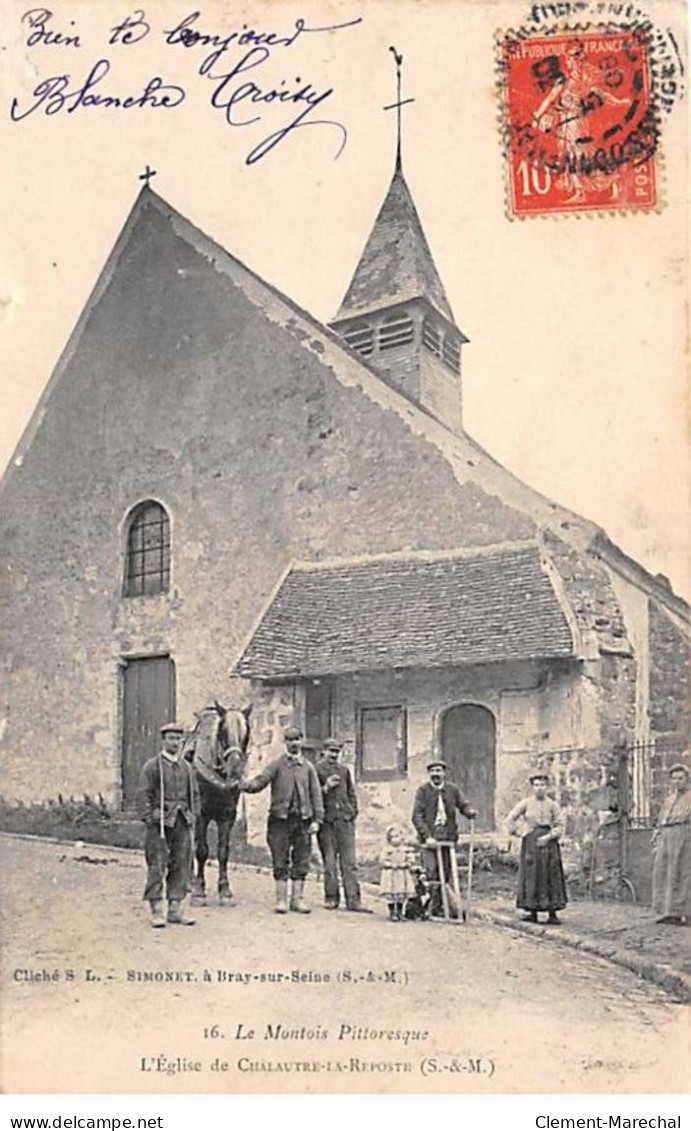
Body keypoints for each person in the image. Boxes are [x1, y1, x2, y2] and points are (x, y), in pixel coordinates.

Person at [239, 725, 324, 914]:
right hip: (280, 820)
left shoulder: (308, 768)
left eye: (297, 739)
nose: (294, 743)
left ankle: (297, 900)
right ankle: (281, 900)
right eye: (290, 739)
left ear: (301, 741)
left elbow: (316, 795)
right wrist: (244, 785)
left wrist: (317, 820)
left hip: (303, 820)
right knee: (280, 859)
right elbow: (260, 781)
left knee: (302, 860)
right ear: (285, 743)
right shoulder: (277, 765)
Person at [136, 721, 200, 928]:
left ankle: (175, 909)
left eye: (178, 738)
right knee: (157, 864)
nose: (175, 742)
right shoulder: (152, 766)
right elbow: (143, 795)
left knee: (182, 863)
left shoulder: (187, 768)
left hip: (182, 821)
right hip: (160, 823)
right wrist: (151, 816)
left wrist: (193, 815)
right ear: (163, 741)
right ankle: (157, 910)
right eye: (171, 738)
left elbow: (195, 795)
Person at [412, 758, 477, 916]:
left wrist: (469, 811)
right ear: (429, 774)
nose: (436, 774)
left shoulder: (452, 789)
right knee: (431, 873)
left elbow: (463, 804)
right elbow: (417, 816)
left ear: (444, 773)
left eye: (439, 771)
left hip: (448, 837)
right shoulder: (423, 791)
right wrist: (427, 836)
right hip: (430, 839)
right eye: (433, 771)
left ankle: (441, 907)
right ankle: (429, 908)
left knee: (446, 873)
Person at [506, 771, 567, 925]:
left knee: (550, 875)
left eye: (542, 785)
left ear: (547, 787)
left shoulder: (553, 805)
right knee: (532, 874)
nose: (539, 788)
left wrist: (548, 837)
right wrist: (520, 833)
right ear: (532, 787)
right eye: (536, 785)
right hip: (531, 843)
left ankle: (552, 913)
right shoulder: (526, 803)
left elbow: (560, 825)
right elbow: (510, 818)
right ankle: (532, 911)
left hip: (549, 844)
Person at [316, 738, 368, 912]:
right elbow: (313, 795)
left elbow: (351, 793)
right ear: (324, 751)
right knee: (330, 862)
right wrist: (326, 787)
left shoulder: (344, 770)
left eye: (337, 751)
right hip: (327, 822)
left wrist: (352, 812)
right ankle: (331, 898)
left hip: (345, 821)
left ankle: (353, 901)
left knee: (350, 862)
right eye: (331, 751)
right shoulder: (316, 770)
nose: (333, 755)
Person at [651, 761, 691, 925]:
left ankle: (686, 913)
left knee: (683, 874)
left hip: (684, 835)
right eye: (674, 779)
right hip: (666, 837)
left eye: (680, 778)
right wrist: (657, 835)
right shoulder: (669, 799)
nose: (677, 782)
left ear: (687, 779)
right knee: (664, 872)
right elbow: (661, 819)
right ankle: (668, 912)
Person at [379, 825, 416, 921]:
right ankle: (392, 912)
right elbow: (382, 861)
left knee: (401, 894)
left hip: (402, 874)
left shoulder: (405, 849)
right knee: (391, 894)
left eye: (397, 836)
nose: (395, 839)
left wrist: (408, 863)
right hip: (391, 873)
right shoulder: (387, 850)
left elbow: (411, 859)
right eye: (392, 837)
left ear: (401, 837)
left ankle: (400, 912)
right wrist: (390, 864)